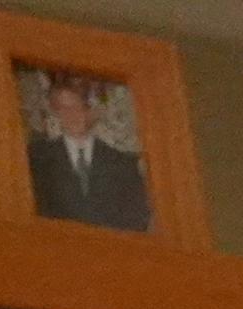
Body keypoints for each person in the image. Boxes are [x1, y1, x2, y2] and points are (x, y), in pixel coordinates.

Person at [22, 69, 153, 235]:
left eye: (78, 106)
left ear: (91, 111)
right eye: (64, 108)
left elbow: (137, 217)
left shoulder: (123, 163)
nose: (72, 114)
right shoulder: (37, 158)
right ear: (55, 112)